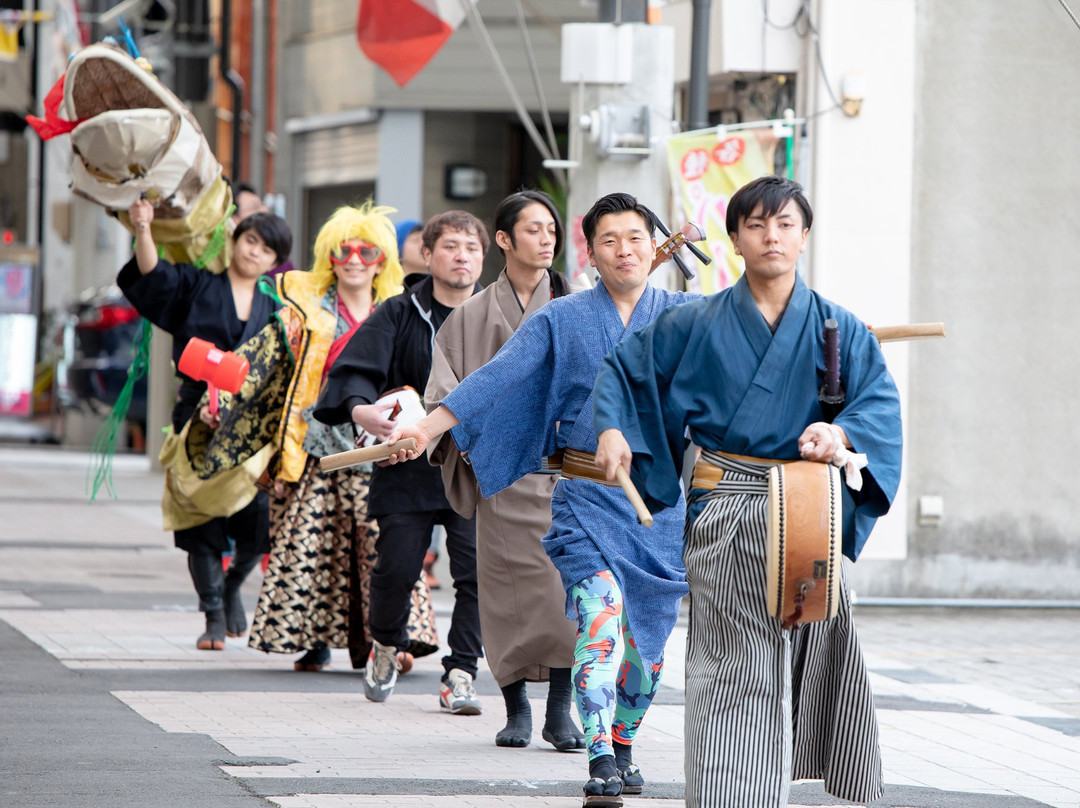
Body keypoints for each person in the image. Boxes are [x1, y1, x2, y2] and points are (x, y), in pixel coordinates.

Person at [591, 175, 902, 807]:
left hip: (812, 506)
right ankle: (734, 796)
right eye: (756, 224)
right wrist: (614, 428)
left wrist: (837, 432)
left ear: (805, 235)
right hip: (728, 505)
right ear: (734, 238)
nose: (771, 236)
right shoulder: (694, 322)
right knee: (734, 663)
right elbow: (625, 371)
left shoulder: (840, 327)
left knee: (825, 642)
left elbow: (878, 408)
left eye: (785, 224)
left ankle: (826, 771)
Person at [382, 192, 699, 806]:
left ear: (651, 244)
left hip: (659, 507)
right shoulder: (563, 317)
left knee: (647, 641)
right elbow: (498, 376)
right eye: (609, 240)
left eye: (635, 237)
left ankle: (626, 741)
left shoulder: (688, 314)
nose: (624, 250)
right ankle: (601, 754)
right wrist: (428, 425)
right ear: (592, 252)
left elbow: (747, 350)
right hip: (584, 498)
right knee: (600, 620)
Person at [246, 202, 439, 674]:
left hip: (384, 447)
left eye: (367, 250)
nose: (354, 259)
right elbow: (264, 364)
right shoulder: (303, 310)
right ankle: (315, 640)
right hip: (318, 442)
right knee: (317, 547)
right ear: (328, 256)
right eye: (343, 250)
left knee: (387, 545)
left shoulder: (398, 308)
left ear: (382, 259)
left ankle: (392, 639)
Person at [425, 190, 584, 751]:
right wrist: (476, 449)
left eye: (552, 231)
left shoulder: (576, 302)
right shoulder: (468, 316)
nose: (546, 240)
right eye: (534, 230)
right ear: (504, 239)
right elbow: (444, 391)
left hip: (568, 473)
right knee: (504, 594)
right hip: (501, 475)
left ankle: (560, 709)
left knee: (568, 591)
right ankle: (516, 705)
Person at [313, 210, 487, 714]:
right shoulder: (399, 310)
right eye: (450, 246)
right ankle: (387, 645)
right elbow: (354, 373)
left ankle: (461, 673)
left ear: (485, 256)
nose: (462, 256)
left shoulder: (494, 313)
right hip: (406, 461)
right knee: (396, 570)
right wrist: (362, 410)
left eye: (471, 248)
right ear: (427, 255)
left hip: (474, 466)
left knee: (476, 573)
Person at [120, 199, 292, 650]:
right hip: (196, 409)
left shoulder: (277, 306)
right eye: (250, 240)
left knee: (258, 519)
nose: (255, 252)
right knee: (198, 516)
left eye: (266, 249)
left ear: (275, 261)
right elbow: (153, 275)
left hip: (252, 420)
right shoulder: (197, 284)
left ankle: (235, 583)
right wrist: (143, 229)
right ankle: (213, 612)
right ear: (235, 240)